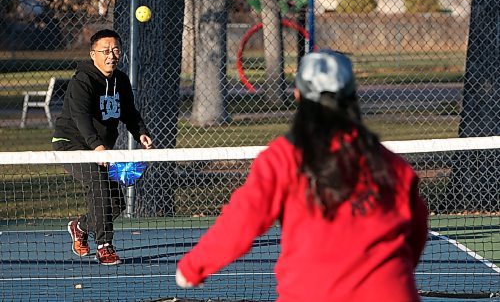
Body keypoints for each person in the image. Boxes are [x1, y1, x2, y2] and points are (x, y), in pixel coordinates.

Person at [175, 50, 428, 301]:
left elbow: (242, 220)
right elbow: (416, 232)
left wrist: (193, 267)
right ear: (352, 95)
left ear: (298, 94)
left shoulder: (283, 159)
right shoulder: (391, 164)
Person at [52, 29, 153, 265]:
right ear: (93, 54)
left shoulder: (121, 81)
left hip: (100, 150)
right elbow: (81, 117)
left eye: (116, 50)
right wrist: (96, 146)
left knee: (117, 202)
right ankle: (104, 245)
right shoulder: (82, 81)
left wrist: (141, 133)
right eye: (105, 51)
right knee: (98, 183)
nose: (111, 55)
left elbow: (129, 112)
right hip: (71, 145)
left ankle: (80, 226)